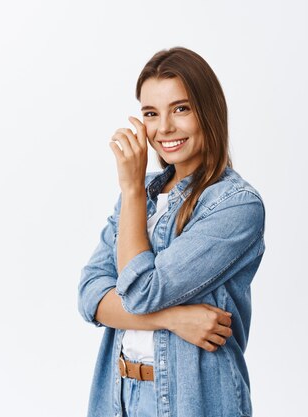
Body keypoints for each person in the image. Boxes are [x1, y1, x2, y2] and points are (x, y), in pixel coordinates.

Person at [77, 46, 266, 417]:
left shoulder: (235, 205)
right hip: (118, 397)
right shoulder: (142, 196)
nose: (164, 128)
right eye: (151, 113)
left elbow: (141, 292)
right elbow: (90, 295)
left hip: (193, 401)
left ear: (208, 111)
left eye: (180, 109)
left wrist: (130, 189)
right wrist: (173, 318)